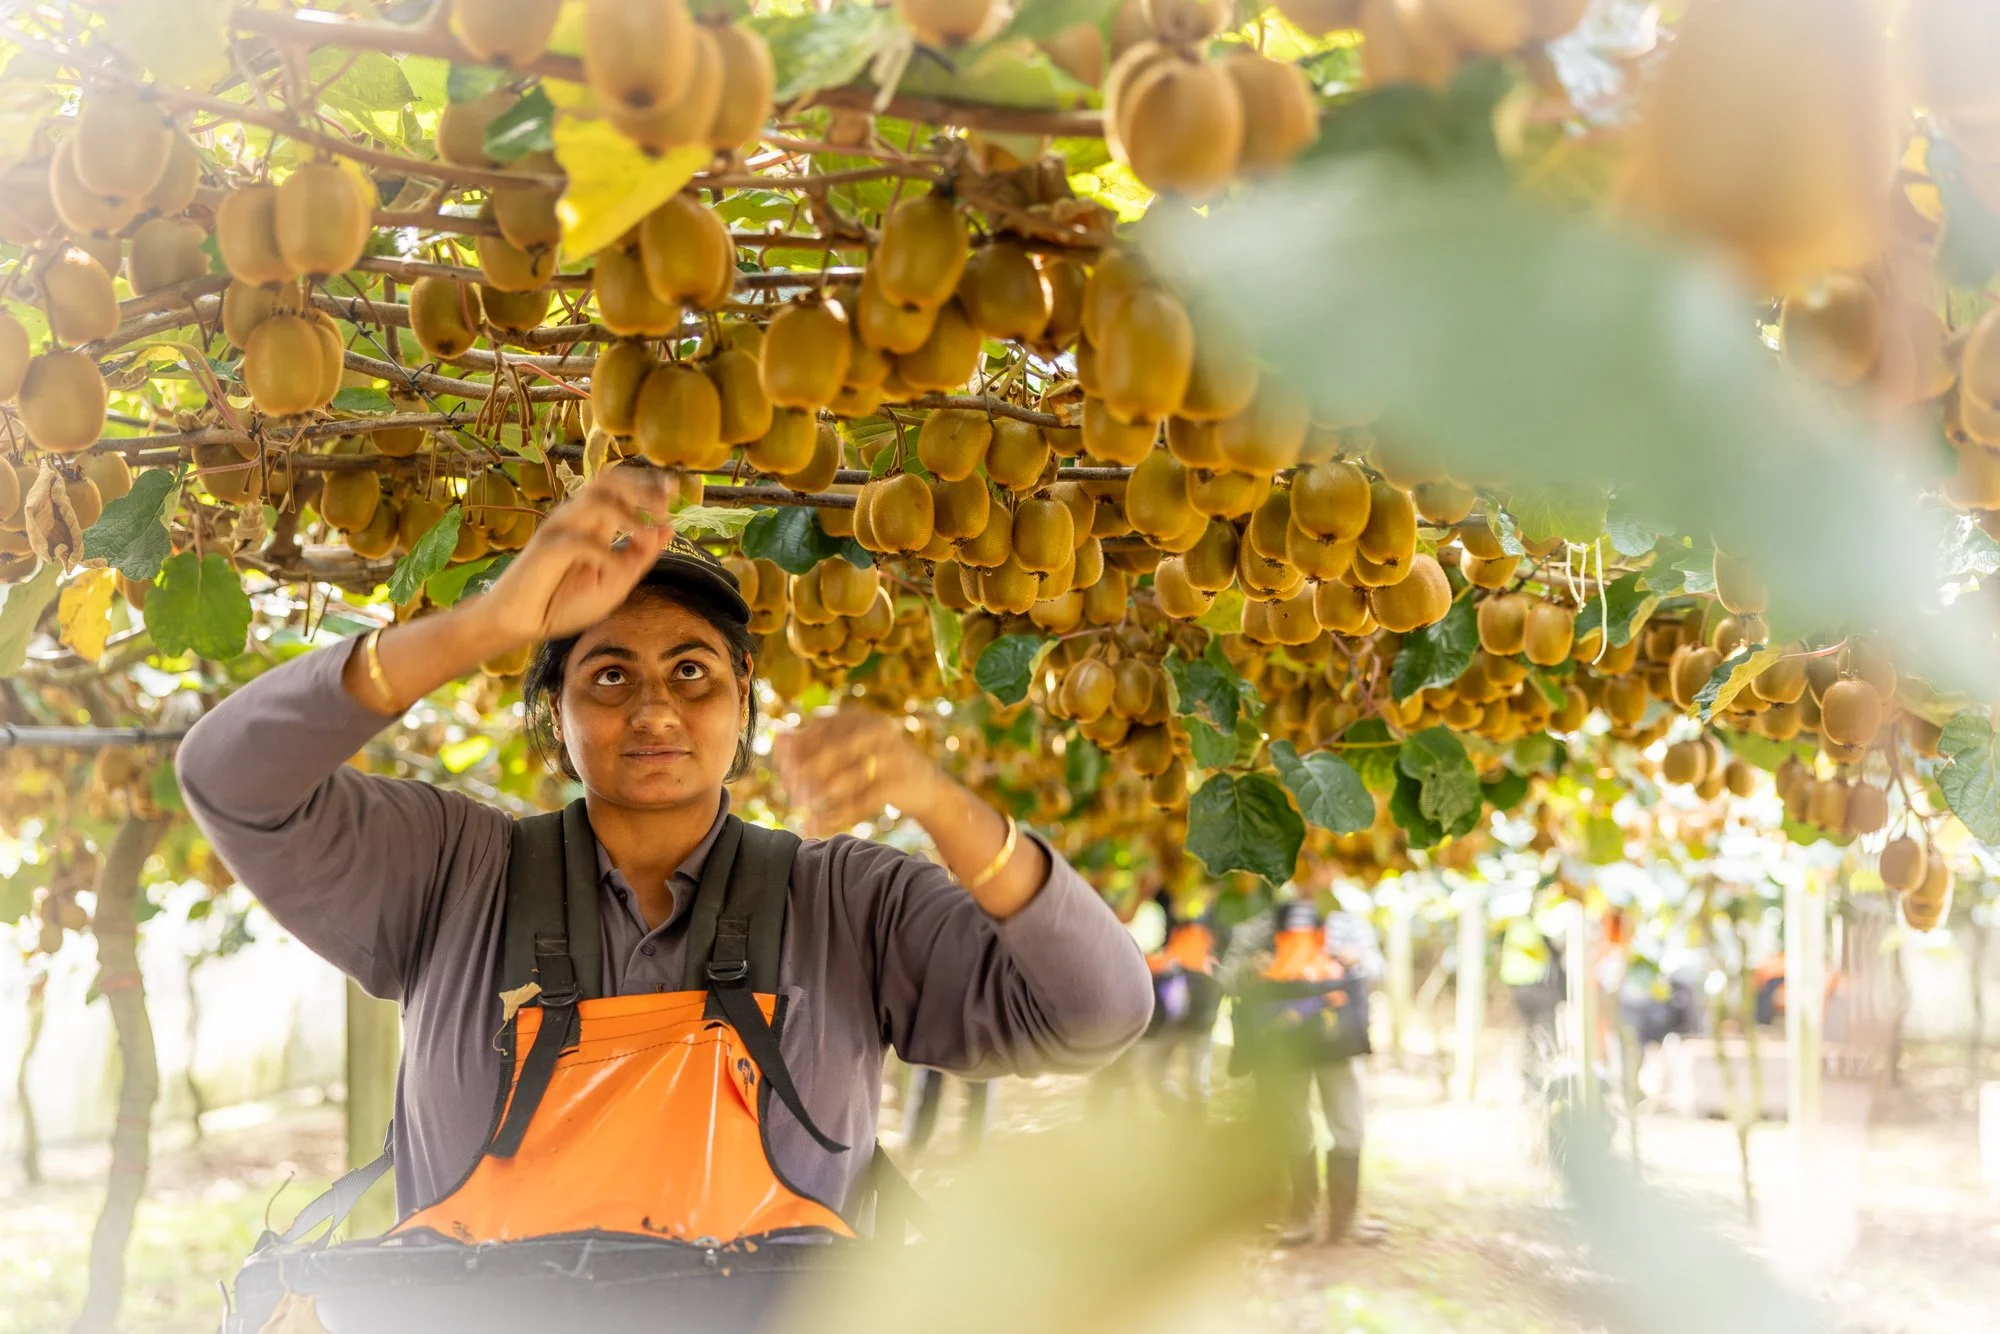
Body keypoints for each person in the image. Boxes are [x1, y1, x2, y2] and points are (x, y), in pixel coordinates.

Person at [181, 468, 1154, 1327]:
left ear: (742, 696)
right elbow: (230, 777)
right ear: (555, 720)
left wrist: (938, 799)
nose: (652, 707)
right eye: (607, 674)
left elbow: (1097, 1012)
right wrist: (480, 626)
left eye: (691, 671)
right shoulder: (450, 868)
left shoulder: (847, 898)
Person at [1226, 897, 1382, 1248]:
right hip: (1282, 1039)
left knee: (1348, 1125)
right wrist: (1252, 967)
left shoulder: (1347, 917)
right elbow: (1226, 978)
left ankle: (1346, 1218)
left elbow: (1376, 967)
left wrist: (1355, 960)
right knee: (1293, 1124)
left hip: (1336, 1036)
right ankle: (1302, 1216)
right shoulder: (1256, 923)